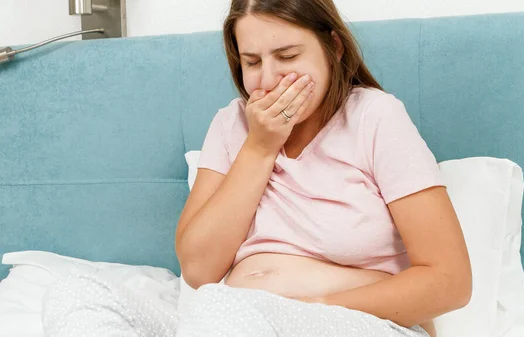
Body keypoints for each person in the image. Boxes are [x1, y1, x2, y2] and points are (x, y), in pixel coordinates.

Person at [175, 1, 473, 336]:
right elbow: (198, 270)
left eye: (287, 56)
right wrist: (260, 147)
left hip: (358, 322)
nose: (270, 79)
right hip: (245, 318)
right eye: (252, 62)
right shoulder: (231, 124)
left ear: (334, 46)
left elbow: (451, 282)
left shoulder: (374, 118)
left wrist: (309, 309)